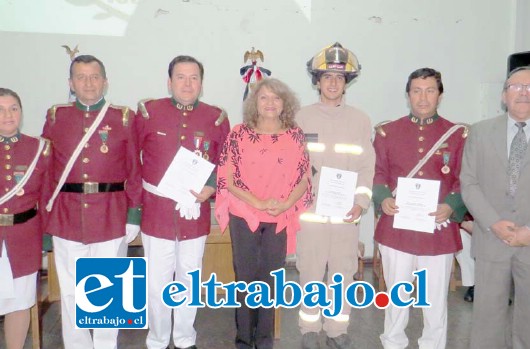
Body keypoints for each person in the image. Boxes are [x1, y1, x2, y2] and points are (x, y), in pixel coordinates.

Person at [42, 55, 142, 349]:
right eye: (81, 77)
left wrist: (133, 213)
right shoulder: (56, 116)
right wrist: (46, 222)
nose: (88, 82)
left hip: (111, 213)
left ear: (105, 81)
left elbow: (134, 169)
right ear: (71, 84)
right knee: (72, 290)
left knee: (108, 288)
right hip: (66, 214)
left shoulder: (123, 117)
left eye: (94, 76)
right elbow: (47, 171)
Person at [136, 55, 230, 349]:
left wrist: (212, 187)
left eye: (193, 78)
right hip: (157, 212)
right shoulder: (148, 113)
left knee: (190, 278)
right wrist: (134, 209)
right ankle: (157, 339)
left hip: (194, 210)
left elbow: (226, 162)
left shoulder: (216, 118)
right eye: (180, 77)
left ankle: (185, 338)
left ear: (201, 83)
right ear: (169, 81)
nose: (187, 83)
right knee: (156, 281)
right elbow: (130, 161)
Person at [372, 67, 467, 349]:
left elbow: (465, 178)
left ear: (440, 95)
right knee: (396, 299)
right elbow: (378, 172)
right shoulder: (388, 132)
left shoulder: (457, 134)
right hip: (397, 226)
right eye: (416, 91)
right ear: (408, 95)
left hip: (438, 229)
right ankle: (392, 343)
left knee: (436, 301)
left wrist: (452, 206)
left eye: (430, 91)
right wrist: (383, 197)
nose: (423, 98)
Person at [215, 77, 312, 349]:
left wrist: (284, 204)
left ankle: (265, 341)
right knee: (245, 279)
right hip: (244, 215)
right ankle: (244, 341)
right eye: (264, 97)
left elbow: (304, 178)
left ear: (285, 103)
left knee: (270, 282)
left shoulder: (295, 135)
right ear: (254, 102)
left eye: (276, 98)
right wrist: (257, 203)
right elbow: (228, 179)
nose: (270, 103)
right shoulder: (238, 133)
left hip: (279, 217)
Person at [295, 42, 375, 349]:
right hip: (311, 214)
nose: (332, 82)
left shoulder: (360, 120)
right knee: (311, 270)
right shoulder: (300, 118)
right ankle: (308, 329)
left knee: (342, 272)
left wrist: (360, 202)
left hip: (345, 215)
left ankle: (337, 330)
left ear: (346, 82)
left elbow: (367, 166)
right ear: (317, 80)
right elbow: (292, 165)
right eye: (326, 76)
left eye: (339, 78)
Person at [460, 66, 530, 349]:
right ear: (503, 95)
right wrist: (493, 223)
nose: (524, 92)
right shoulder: (480, 131)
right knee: (487, 319)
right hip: (491, 238)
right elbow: (469, 183)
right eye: (516, 87)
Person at [0, 88, 49, 349]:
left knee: (18, 303)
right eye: (1, 109)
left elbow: (46, 195)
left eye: (14, 108)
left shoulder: (39, 148)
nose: (8, 115)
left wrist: (47, 236)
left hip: (24, 238)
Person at [456, 219, 475, 302]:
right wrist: (462, 223)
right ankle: (474, 284)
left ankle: (498, 288)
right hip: (464, 222)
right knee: (459, 237)